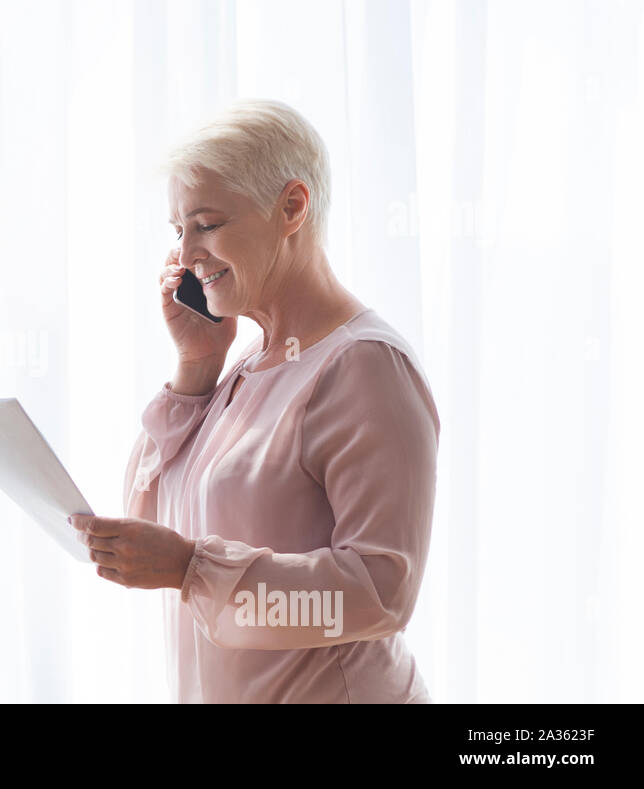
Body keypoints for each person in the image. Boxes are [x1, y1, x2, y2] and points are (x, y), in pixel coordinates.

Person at [69, 99, 437, 703]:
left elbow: (382, 589)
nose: (184, 255)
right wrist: (197, 365)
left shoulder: (365, 368)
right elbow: (148, 521)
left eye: (207, 224)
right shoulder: (244, 366)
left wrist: (194, 569)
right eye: (177, 230)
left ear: (291, 207)